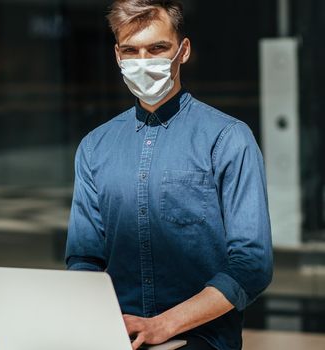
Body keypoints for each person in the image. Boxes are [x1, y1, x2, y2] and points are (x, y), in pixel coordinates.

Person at [65, 1, 273, 349]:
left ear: (183, 51)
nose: (143, 61)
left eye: (157, 48)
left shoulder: (228, 138)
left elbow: (251, 264)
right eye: (131, 50)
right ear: (117, 56)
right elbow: (85, 258)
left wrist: (163, 325)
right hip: (118, 339)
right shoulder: (94, 147)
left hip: (203, 340)